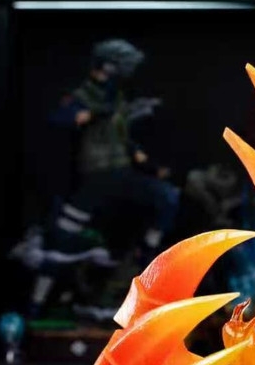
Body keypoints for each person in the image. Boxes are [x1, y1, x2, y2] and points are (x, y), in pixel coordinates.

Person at [26, 39, 179, 318]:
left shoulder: (117, 99)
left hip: (121, 175)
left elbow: (123, 140)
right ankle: (35, 305)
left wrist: (149, 165)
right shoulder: (82, 96)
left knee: (167, 197)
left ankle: (143, 256)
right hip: (94, 180)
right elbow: (64, 119)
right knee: (60, 242)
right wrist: (95, 113)